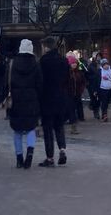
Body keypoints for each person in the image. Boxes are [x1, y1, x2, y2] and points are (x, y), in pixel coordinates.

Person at [6, 39, 42, 169]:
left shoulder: (13, 63)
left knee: (17, 131)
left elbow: (9, 81)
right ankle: (30, 151)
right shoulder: (36, 64)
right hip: (32, 100)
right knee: (31, 128)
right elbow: (40, 84)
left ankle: (19, 158)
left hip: (17, 100)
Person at [38, 37, 72, 166]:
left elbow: (40, 81)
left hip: (47, 99)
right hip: (61, 98)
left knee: (47, 129)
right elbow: (68, 79)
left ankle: (50, 157)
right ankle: (62, 149)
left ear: (46, 47)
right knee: (59, 126)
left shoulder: (43, 61)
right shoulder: (63, 60)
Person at [94, 53, 111, 121]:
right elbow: (96, 81)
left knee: (107, 101)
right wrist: (96, 90)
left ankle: (104, 113)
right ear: (102, 65)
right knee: (104, 102)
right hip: (102, 89)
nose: (106, 66)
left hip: (109, 88)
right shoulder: (99, 71)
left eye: (107, 64)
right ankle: (104, 114)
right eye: (105, 65)